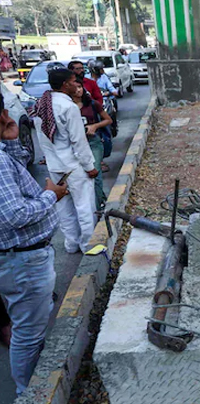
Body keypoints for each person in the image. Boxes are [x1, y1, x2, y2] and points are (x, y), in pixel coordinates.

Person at [1, 91, 68, 396]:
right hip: (23, 261)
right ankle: (29, 395)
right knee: (27, 335)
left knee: (29, 330)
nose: (8, 116)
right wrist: (51, 195)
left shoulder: (3, 155)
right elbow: (14, 213)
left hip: (22, 258)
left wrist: (12, 140)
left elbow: (15, 176)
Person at [28, 68, 98, 254]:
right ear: (65, 84)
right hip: (74, 166)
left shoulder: (42, 105)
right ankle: (87, 245)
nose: (77, 84)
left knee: (64, 208)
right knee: (84, 206)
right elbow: (78, 141)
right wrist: (90, 167)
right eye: (74, 80)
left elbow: (43, 140)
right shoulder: (69, 107)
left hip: (55, 166)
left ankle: (71, 244)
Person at [70, 81, 112, 210]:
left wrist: (95, 126)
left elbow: (108, 119)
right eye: (75, 87)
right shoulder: (66, 106)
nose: (78, 90)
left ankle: (98, 207)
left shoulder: (92, 104)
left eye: (80, 87)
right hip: (74, 145)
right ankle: (99, 198)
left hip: (93, 142)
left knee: (95, 172)